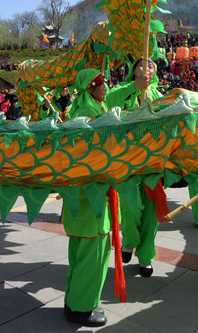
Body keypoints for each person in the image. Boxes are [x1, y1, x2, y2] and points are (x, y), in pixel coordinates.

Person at [105, 58, 165, 277]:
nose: (146, 69)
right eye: (141, 65)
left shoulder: (159, 94)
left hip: (151, 163)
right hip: (125, 160)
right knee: (132, 207)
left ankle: (146, 257)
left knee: (150, 212)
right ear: (133, 70)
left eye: (150, 66)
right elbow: (108, 102)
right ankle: (129, 241)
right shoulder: (122, 89)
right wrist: (133, 88)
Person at [61, 68, 110, 327]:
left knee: (81, 252)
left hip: (81, 196)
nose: (106, 88)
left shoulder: (85, 108)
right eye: (101, 84)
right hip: (91, 195)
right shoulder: (89, 113)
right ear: (90, 88)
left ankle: (74, 301)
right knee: (93, 252)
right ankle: (81, 309)